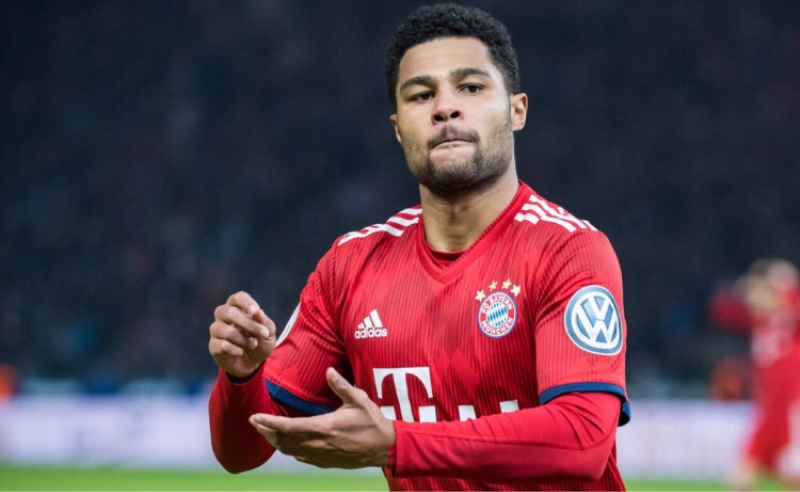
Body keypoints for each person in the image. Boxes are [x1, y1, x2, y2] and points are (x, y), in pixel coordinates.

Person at [208, 4, 630, 490]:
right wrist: (241, 379)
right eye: (421, 94)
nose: (445, 108)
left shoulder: (568, 251)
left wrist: (397, 443)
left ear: (517, 111)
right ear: (397, 127)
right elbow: (242, 450)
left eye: (471, 88)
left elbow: (582, 439)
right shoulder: (351, 266)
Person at [709, 258, 800, 490]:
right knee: (743, 475)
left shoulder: (791, 320)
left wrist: (784, 284)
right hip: (768, 410)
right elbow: (721, 310)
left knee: (788, 477)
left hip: (791, 410)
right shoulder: (759, 320)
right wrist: (743, 288)